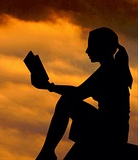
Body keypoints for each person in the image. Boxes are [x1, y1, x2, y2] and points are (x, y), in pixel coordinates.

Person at [32, 27, 133, 160]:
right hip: (110, 128)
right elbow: (79, 91)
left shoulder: (109, 71)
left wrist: (49, 87)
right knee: (67, 100)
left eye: (91, 46)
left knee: (66, 101)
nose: (87, 51)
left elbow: (77, 93)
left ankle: (47, 151)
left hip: (110, 132)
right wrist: (49, 87)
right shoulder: (110, 68)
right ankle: (48, 151)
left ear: (102, 47)